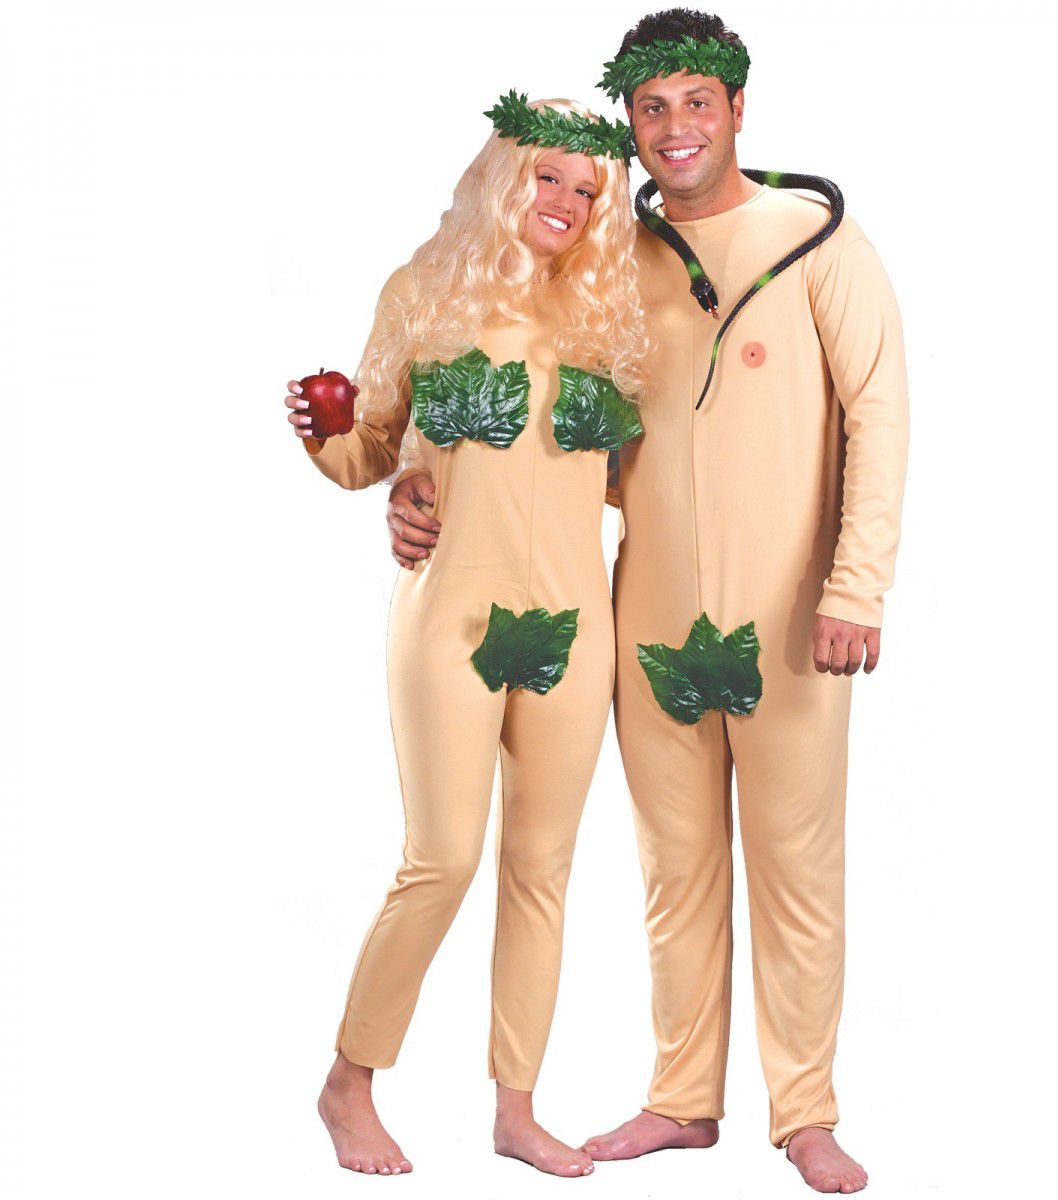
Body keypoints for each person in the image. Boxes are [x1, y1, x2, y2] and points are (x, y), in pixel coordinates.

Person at [388, 11, 909, 1195]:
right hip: (648, 614)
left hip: (794, 616)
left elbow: (879, 415)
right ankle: (682, 1100)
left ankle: (805, 1112)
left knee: (795, 860)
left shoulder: (817, 240)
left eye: (697, 102)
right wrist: (424, 488)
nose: (676, 128)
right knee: (674, 864)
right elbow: (555, 427)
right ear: (631, 122)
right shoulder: (611, 262)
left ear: (738, 108)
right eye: (652, 108)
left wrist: (857, 585)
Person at [285, 93, 647, 1178]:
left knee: (542, 868)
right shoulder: (426, 292)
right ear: (505, 177)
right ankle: (349, 1082)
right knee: (440, 859)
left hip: (574, 629)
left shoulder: (609, 316)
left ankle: (516, 1112)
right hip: (451, 612)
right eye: (549, 177)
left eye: (588, 190)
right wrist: (334, 436)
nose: (567, 201)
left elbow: (632, 481)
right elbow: (370, 453)